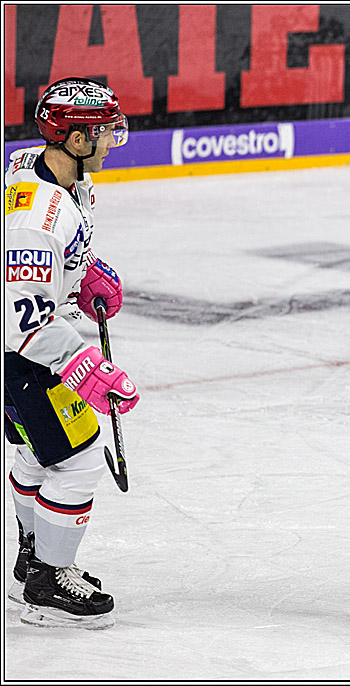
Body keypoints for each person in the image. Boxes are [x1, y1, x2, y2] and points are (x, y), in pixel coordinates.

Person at [5, 77, 139, 629]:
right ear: (76, 140)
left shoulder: (51, 174)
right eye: (103, 131)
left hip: (22, 350)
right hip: (20, 355)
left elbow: (48, 268)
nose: (111, 139)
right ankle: (48, 581)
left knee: (37, 453)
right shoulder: (39, 217)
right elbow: (21, 318)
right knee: (79, 454)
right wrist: (84, 365)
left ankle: (33, 557)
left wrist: (80, 277)